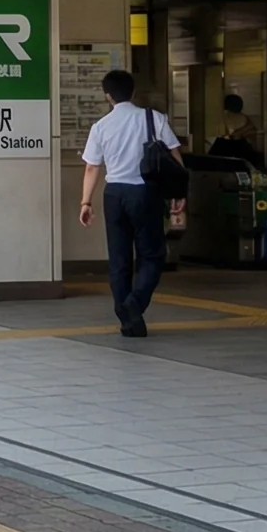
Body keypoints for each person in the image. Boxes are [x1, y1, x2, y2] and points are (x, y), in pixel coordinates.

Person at [77, 70, 179, 337]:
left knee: (119, 260)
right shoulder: (154, 119)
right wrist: (180, 195)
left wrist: (85, 202)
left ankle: (127, 318)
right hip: (145, 193)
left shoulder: (101, 126)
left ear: (107, 96)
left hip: (114, 194)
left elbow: (91, 168)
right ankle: (134, 304)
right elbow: (176, 160)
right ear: (133, 92)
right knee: (153, 255)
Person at [210, 95, 259, 165]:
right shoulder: (244, 117)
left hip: (225, 147)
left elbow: (222, 133)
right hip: (241, 148)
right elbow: (252, 130)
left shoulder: (224, 116)